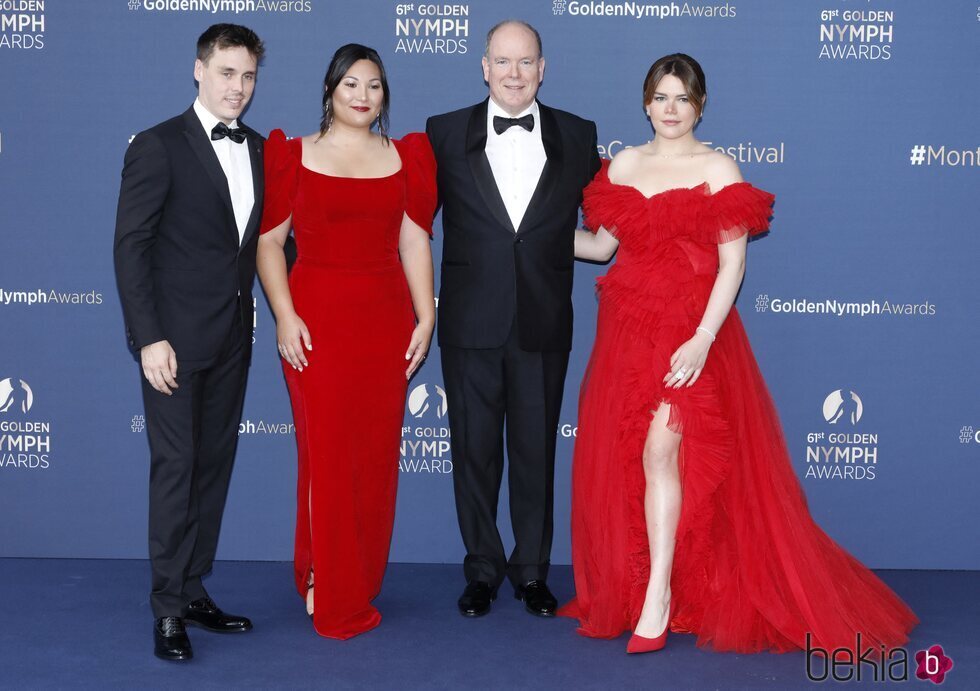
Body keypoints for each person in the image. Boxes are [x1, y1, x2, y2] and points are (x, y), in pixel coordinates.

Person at [561, 53, 918, 653]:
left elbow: (733, 264)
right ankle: (657, 586)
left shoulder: (719, 168)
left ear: (700, 105)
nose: (670, 109)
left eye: (682, 98)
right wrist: (524, 230)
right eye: (660, 97)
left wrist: (702, 337)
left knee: (659, 449)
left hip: (691, 333)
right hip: (627, 329)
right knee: (641, 461)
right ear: (645, 103)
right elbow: (600, 248)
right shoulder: (624, 164)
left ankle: (659, 598)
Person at [257, 44, 436, 640]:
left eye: (375, 85)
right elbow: (268, 244)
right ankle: (328, 586)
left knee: (374, 460)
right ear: (331, 88)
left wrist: (425, 316)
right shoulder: (293, 154)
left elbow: (414, 241)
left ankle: (346, 574)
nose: (363, 95)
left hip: (384, 322)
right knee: (327, 457)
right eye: (352, 83)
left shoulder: (406, 156)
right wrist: (284, 316)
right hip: (315, 322)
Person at [426, 20, 601, 618]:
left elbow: (604, 229)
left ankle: (531, 571)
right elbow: (406, 225)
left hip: (543, 320)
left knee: (536, 452)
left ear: (543, 68)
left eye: (526, 62)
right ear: (483, 66)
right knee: (473, 453)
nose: (514, 74)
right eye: (503, 61)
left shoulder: (579, 135)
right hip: (470, 323)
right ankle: (482, 569)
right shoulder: (442, 132)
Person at [113, 24, 265, 662]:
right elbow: (131, 246)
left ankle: (194, 587)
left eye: (248, 76)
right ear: (199, 71)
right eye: (227, 73)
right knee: (176, 470)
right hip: (172, 343)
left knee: (212, 467)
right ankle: (167, 608)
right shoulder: (157, 145)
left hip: (234, 336)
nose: (238, 88)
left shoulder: (259, 148)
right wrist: (148, 339)